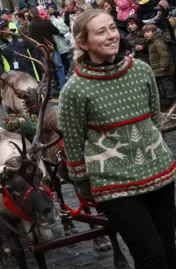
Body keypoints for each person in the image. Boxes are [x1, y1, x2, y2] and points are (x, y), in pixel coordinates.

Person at [59, 9, 175, 269]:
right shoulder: (74, 91)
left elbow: (154, 120)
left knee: (169, 249)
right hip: (115, 186)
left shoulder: (141, 71)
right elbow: (74, 146)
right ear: (82, 43)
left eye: (112, 28)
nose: (112, 35)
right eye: (101, 32)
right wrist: (83, 185)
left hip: (159, 174)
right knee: (151, 257)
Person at [28, 6, 66, 95]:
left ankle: (50, 93)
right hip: (52, 49)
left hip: (42, 52)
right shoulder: (46, 21)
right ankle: (63, 89)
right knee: (59, 68)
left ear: (31, 14)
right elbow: (56, 31)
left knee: (48, 72)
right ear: (38, 12)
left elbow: (30, 39)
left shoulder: (30, 26)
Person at [142, 23, 175, 111]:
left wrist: (164, 65)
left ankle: (172, 102)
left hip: (164, 69)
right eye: (144, 33)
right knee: (163, 86)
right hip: (158, 70)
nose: (145, 34)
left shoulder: (158, 42)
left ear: (154, 32)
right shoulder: (151, 43)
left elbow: (164, 54)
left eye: (148, 32)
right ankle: (167, 102)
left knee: (168, 85)